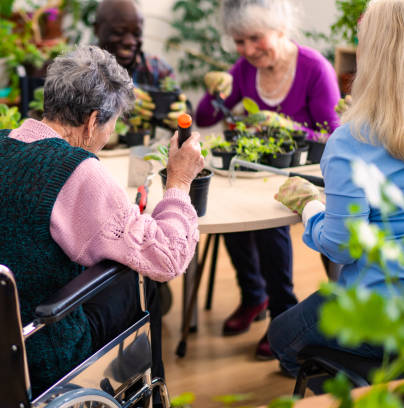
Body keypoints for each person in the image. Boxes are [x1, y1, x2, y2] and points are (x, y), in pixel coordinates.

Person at [0, 45, 205, 397]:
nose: (107, 136)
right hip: (34, 355)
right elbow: (167, 257)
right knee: (142, 287)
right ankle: (139, 393)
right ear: (91, 121)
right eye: (110, 126)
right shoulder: (80, 173)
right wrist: (179, 181)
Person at [194, 0, 341, 360]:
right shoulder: (243, 70)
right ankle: (253, 295)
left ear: (279, 29)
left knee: (266, 223)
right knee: (231, 213)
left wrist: (288, 126)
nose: (246, 50)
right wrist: (216, 91)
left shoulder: (314, 69)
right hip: (256, 170)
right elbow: (203, 115)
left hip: (304, 173)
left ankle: (283, 312)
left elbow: (334, 137)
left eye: (254, 39)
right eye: (239, 41)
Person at [270, 0, 403, 379]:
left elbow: (343, 245)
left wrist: (310, 206)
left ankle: (366, 387)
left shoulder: (351, 142)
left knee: (280, 337)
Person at [94, 0, 187, 129]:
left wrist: (181, 115)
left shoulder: (157, 68)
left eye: (137, 34)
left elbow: (183, 105)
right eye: (119, 32)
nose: (129, 42)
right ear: (97, 29)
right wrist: (117, 100)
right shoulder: (75, 69)